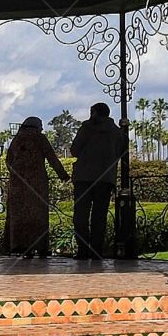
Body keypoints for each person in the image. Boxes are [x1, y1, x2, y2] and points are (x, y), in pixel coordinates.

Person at [3, 116, 68, 258]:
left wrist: (17, 175)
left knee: (20, 215)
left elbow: (8, 161)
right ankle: (40, 247)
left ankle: (21, 247)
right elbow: (52, 158)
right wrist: (63, 175)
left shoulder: (17, 139)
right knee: (38, 215)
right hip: (37, 184)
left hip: (17, 185)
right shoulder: (40, 138)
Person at [70, 102, 124, 260]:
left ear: (94, 113)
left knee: (80, 215)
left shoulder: (86, 128)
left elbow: (74, 150)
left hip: (84, 178)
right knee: (99, 216)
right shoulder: (116, 132)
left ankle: (83, 249)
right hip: (106, 179)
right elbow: (121, 151)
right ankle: (96, 250)